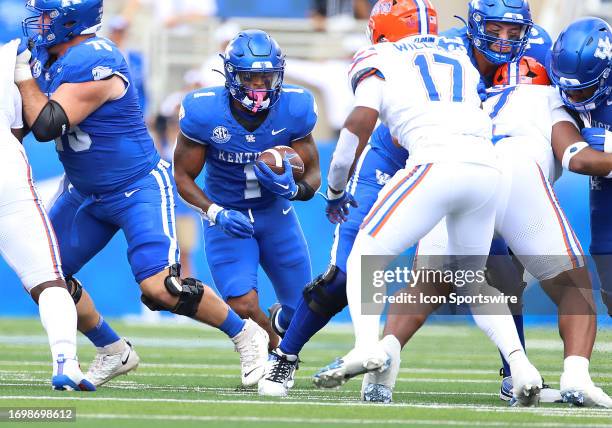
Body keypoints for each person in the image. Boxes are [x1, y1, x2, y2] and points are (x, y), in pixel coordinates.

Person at [257, 0, 548, 400]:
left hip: (430, 160)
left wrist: (335, 190)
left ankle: (366, 347)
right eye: (496, 32)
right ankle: (287, 356)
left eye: (511, 34)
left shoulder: (383, 54)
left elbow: (357, 122)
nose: (502, 42)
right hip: (459, 164)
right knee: (354, 277)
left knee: (368, 256)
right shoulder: (456, 51)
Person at [14, 0, 269, 388]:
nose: (39, 23)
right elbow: (22, 122)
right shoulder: (44, 56)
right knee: (45, 278)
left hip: (136, 187)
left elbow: (48, 124)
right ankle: (112, 350)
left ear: (72, 18)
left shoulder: (95, 60)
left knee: (160, 289)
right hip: (84, 192)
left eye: (47, 14)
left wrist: (24, 79)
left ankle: (247, 335)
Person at [173, 30, 321, 353]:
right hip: (228, 216)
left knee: (305, 312)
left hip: (275, 215)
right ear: (231, 75)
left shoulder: (294, 107)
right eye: (250, 78)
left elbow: (313, 175)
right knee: (241, 303)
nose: (259, 87)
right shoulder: (205, 112)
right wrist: (214, 212)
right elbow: (182, 176)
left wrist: (295, 190)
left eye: (266, 78)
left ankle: (281, 325)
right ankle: (275, 354)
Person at [0, 38, 93, 391]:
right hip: (5, 166)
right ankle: (66, 362)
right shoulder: (10, 55)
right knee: (48, 280)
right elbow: (26, 128)